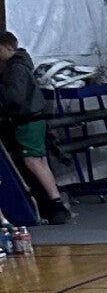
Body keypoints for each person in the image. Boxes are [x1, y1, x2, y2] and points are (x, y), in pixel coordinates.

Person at [0, 31, 71, 222]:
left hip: (28, 120)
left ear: (8, 48)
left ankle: (56, 204)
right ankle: (54, 202)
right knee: (39, 162)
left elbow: (14, 97)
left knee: (34, 162)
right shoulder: (19, 65)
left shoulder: (16, 68)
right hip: (34, 120)